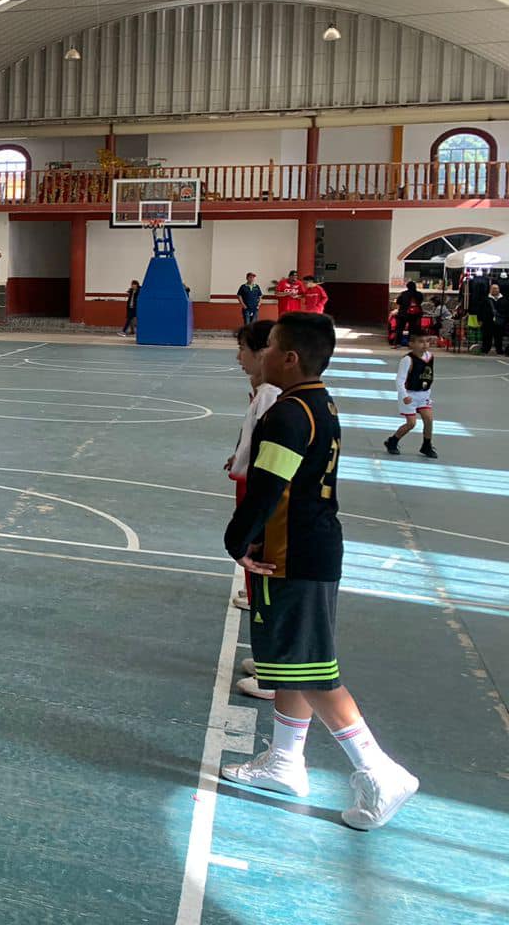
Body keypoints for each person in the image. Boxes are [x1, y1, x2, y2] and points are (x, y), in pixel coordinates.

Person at [220, 312, 419, 830]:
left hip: (294, 554)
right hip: (308, 547)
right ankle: (286, 763)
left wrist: (234, 540)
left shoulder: (289, 415)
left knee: (314, 671)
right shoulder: (318, 402)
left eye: (269, 349)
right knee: (291, 663)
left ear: (288, 357)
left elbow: (267, 489)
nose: (259, 355)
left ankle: (379, 770)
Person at [223, 319, 281, 697]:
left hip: (262, 491)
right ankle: (268, 659)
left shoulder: (273, 397)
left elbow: (268, 454)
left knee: (264, 575)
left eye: (244, 348)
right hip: (251, 484)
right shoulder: (262, 392)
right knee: (255, 579)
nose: (238, 356)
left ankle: (274, 671)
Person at [384, 334, 438, 459]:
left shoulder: (430, 357)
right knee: (411, 424)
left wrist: (427, 393)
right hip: (409, 394)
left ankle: (426, 445)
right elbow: (399, 380)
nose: (424, 344)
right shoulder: (407, 360)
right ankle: (392, 441)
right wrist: (404, 395)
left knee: (429, 419)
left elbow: (427, 377)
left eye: (426, 341)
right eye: (420, 341)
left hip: (423, 394)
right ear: (411, 344)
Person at [394, 280, 424, 347]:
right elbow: (420, 301)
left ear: (407, 287)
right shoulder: (419, 294)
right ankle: (411, 344)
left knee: (400, 328)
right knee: (412, 329)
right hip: (415, 314)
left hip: (403, 314)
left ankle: (397, 343)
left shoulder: (404, 293)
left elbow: (398, 302)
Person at [485, 282, 506, 355]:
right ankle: (485, 350)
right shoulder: (486, 299)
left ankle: (499, 350)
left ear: (499, 289)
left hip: (500, 322)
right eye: (493, 288)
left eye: (496, 288)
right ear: (490, 289)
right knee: (487, 336)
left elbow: (506, 311)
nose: (495, 290)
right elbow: (482, 310)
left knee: (499, 337)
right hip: (488, 321)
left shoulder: (504, 300)